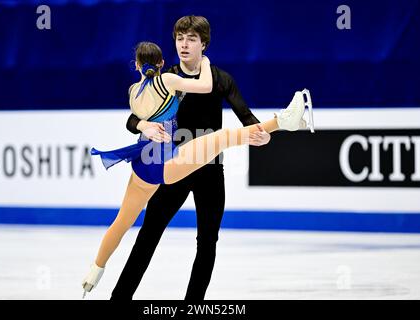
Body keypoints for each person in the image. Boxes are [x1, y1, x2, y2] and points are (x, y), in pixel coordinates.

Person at [82, 39, 311, 298]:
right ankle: (282, 122)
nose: (184, 44)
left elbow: (135, 117)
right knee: (223, 137)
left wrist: (143, 125)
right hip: (171, 162)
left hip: (144, 162)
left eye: (191, 39)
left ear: (136, 65)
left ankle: (95, 270)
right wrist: (205, 62)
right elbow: (204, 86)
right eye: (180, 38)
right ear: (161, 62)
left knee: (123, 222)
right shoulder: (169, 79)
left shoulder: (134, 90)